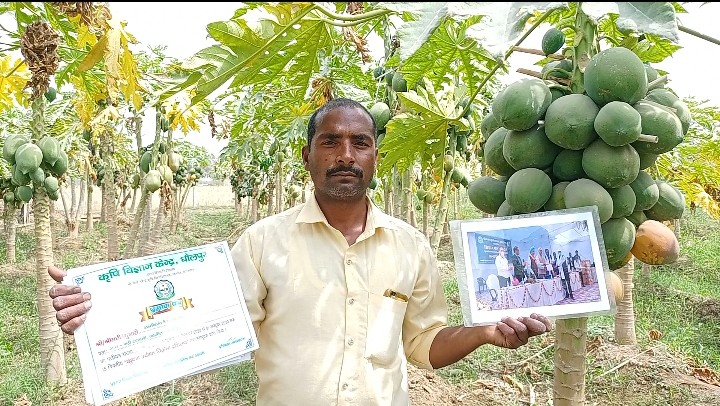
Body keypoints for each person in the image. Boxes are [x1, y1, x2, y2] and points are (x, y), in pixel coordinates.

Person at [48, 98, 552, 405]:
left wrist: (484, 333)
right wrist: (100, 316)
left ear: (376, 157)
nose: (346, 156)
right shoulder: (263, 242)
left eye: (360, 142)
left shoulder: (412, 246)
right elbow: (200, 324)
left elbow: (423, 346)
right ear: (307, 155)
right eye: (330, 142)